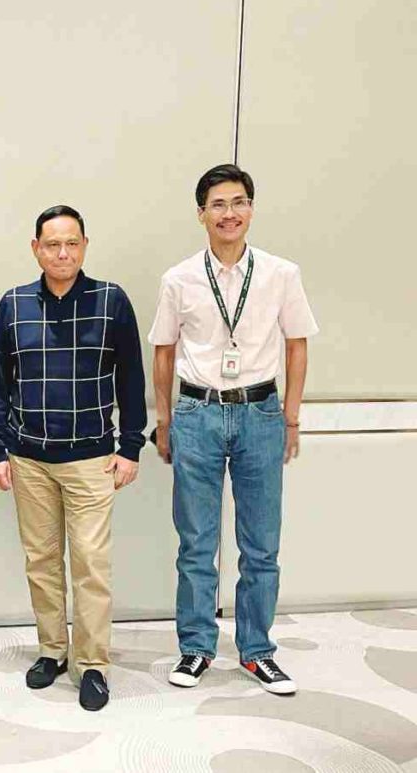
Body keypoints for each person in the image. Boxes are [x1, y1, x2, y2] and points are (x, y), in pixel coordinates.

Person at [148, 164, 318, 695]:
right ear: (201, 213)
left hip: (261, 413)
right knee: (197, 543)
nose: (230, 213)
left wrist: (290, 416)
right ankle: (196, 647)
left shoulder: (280, 274)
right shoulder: (179, 278)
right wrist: (164, 419)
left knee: (261, 543)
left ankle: (256, 650)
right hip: (197, 413)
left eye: (239, 202)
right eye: (218, 204)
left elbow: (296, 344)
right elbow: (164, 350)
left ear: (251, 209)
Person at [0, 205, 146, 711]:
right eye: (52, 244)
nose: (62, 252)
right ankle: (52, 650)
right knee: (41, 560)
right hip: (28, 458)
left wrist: (132, 446)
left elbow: (132, 380)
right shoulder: (13, 305)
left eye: (71, 243)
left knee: (91, 564)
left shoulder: (110, 301)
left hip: (91, 460)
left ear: (84, 246)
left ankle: (92, 663)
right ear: (36, 248)